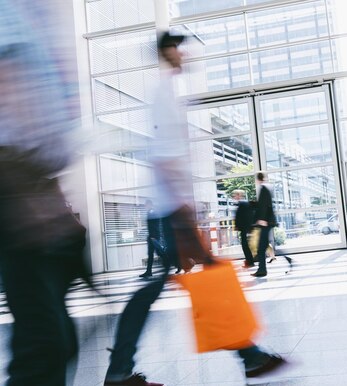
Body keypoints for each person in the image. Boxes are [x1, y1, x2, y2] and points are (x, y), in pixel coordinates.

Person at [104, 32, 285, 386]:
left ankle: (121, 369)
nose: (184, 54)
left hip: (172, 211)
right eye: (177, 47)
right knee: (203, 276)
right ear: (165, 53)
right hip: (169, 213)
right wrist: (184, 216)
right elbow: (163, 160)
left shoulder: (169, 94)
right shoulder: (162, 96)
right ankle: (249, 357)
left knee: (172, 284)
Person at [0, 3, 91, 385]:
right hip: (16, 185)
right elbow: (8, 83)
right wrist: (26, 191)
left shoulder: (36, 11)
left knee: (53, 339)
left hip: (35, 182)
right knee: (44, 342)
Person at [251, 172, 292, 277]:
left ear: (257, 179)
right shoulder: (266, 187)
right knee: (264, 245)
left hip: (265, 222)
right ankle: (287, 259)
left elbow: (265, 205)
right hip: (268, 221)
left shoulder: (264, 188)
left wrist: (262, 219)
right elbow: (263, 205)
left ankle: (262, 270)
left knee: (261, 247)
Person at [233, 190, 255, 268]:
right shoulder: (243, 204)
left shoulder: (243, 204)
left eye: (235, 195)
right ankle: (249, 261)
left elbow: (244, 217)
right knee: (245, 245)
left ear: (239, 195)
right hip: (244, 228)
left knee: (245, 246)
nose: (234, 196)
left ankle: (250, 262)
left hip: (244, 228)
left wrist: (238, 226)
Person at [139, 200, 161, 278]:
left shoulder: (152, 213)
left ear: (149, 205)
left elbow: (154, 226)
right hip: (152, 236)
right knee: (151, 254)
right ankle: (149, 271)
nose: (145, 206)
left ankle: (170, 266)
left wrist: (152, 236)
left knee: (160, 253)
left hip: (153, 237)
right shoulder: (151, 212)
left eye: (146, 205)